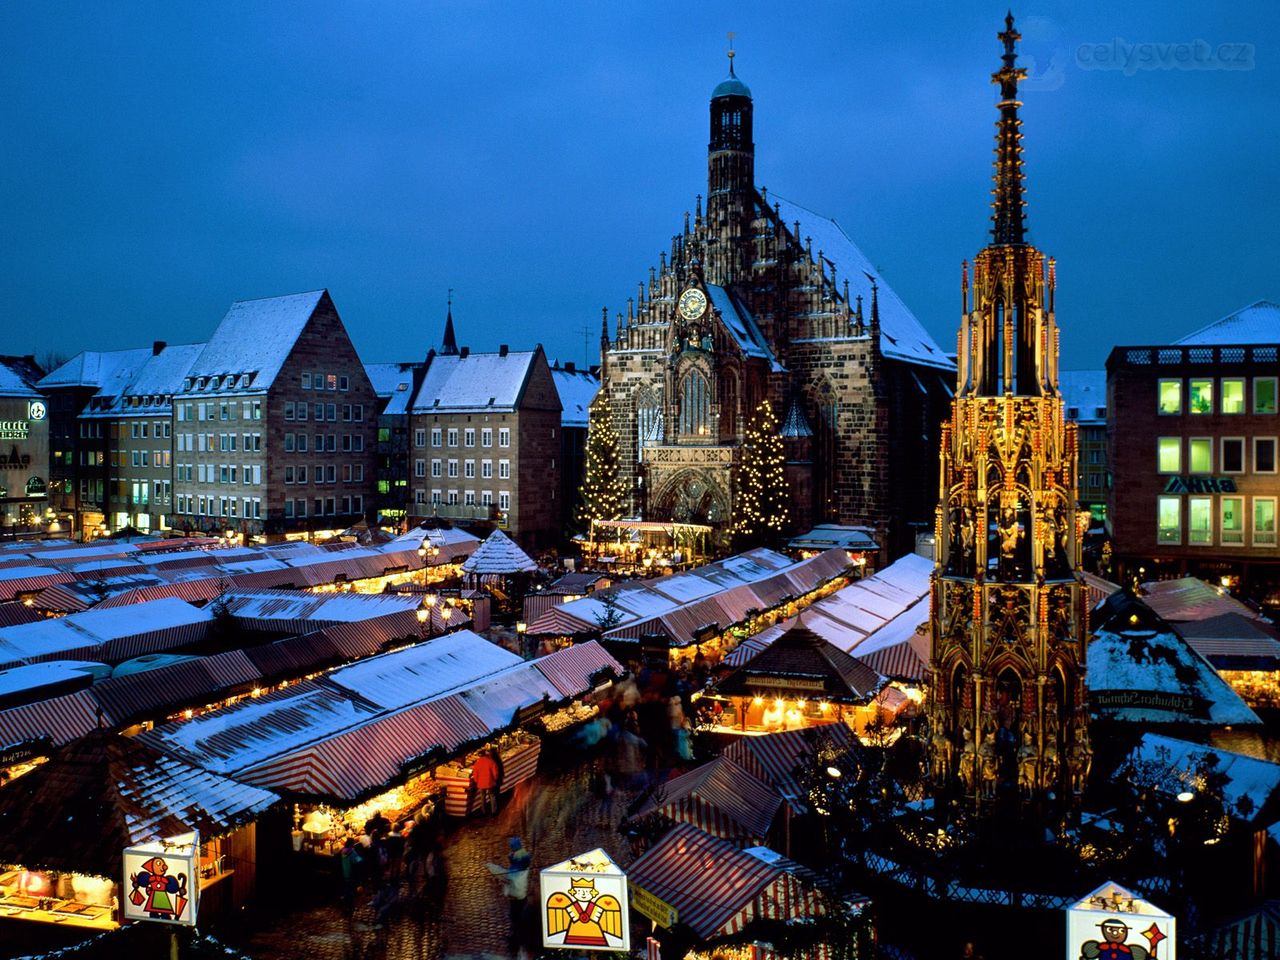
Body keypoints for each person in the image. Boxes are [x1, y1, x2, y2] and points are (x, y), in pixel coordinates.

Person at [488, 836, 531, 953]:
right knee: (516, 917)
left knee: (516, 917)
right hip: (520, 895)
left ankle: (517, 939)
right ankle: (517, 936)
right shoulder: (522, 861)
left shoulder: (517, 870)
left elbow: (507, 876)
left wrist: (493, 868)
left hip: (517, 896)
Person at [472, 748, 501, 816]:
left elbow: (475, 774)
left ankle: (483, 811)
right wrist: (495, 779)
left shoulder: (477, 763)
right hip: (490, 782)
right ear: (485, 754)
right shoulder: (491, 762)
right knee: (492, 796)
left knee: (482, 797)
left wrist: (477, 781)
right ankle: (494, 811)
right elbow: (495, 773)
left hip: (481, 783)